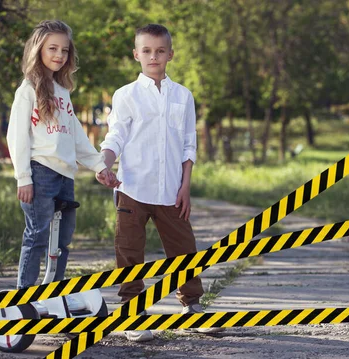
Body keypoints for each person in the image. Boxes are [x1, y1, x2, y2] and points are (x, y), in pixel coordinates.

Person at [100, 23, 224, 342]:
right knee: (129, 251)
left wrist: (185, 185)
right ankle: (132, 313)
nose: (153, 56)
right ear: (136, 55)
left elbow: (188, 144)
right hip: (132, 189)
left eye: (159, 51)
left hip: (171, 190)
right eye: (146, 51)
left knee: (184, 249)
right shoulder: (125, 95)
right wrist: (104, 162)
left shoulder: (183, 96)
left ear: (170, 54)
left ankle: (192, 308)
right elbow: (116, 134)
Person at [6, 20, 120, 308]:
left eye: (65, 50)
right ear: (38, 50)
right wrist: (23, 177)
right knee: (38, 235)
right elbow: (16, 136)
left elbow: (76, 137)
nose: (59, 55)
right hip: (40, 173)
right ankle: (24, 297)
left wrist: (98, 165)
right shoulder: (27, 90)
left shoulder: (63, 91)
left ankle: (53, 294)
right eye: (52, 48)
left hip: (65, 176)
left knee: (62, 241)